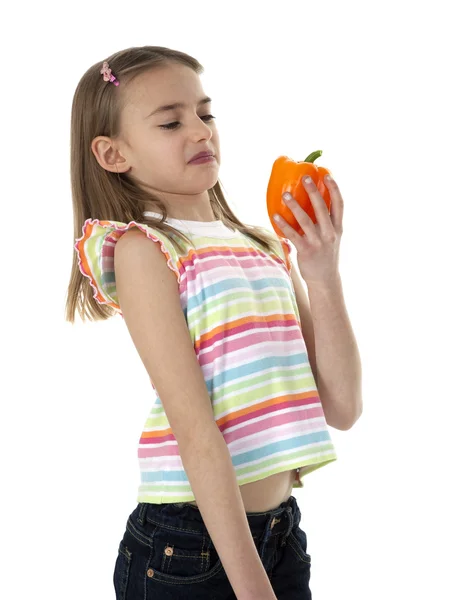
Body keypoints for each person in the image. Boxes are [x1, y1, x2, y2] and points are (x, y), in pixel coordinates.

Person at [66, 45, 362, 600]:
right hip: (188, 547)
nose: (200, 132)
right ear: (112, 154)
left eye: (205, 113)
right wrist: (252, 589)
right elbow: (196, 432)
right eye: (171, 121)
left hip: (278, 534)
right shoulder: (145, 248)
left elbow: (342, 407)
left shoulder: (261, 245)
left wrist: (322, 273)